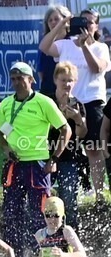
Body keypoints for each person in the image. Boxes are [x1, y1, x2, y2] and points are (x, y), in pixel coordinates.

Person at [0, 62, 68, 257]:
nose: (17, 82)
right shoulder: (6, 104)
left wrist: (54, 158)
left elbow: (65, 129)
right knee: (12, 216)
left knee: (41, 215)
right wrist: (7, 149)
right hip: (15, 166)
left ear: (31, 80)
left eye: (21, 78)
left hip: (38, 165)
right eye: (14, 78)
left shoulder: (44, 102)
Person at [40, 11, 109, 202]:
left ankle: (99, 195)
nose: (86, 25)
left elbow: (97, 68)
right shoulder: (65, 45)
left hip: (92, 100)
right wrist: (62, 22)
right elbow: (44, 47)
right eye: (82, 21)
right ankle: (63, 192)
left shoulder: (101, 47)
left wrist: (85, 46)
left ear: (96, 26)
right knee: (67, 148)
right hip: (68, 102)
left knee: (94, 149)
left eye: (90, 22)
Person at [50, 62, 86, 228]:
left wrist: (78, 120)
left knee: (70, 201)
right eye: (63, 80)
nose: (67, 84)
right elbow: (42, 129)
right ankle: (42, 240)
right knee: (43, 200)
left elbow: (81, 135)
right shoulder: (47, 102)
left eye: (70, 80)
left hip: (69, 158)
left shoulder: (78, 104)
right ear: (55, 80)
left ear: (76, 81)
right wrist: (59, 114)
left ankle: (72, 238)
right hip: (46, 156)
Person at [39, 5, 71, 97]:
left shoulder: (72, 41)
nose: (53, 22)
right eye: (50, 20)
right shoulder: (45, 43)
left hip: (67, 91)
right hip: (48, 91)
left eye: (56, 19)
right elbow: (41, 72)